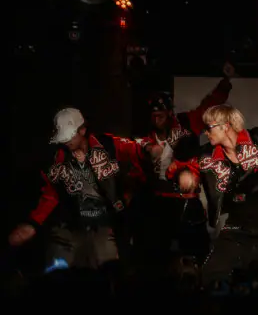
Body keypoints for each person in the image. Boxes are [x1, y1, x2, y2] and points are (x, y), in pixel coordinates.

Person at [169, 103, 258, 290]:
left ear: (225, 126)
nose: (206, 132)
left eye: (209, 127)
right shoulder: (207, 155)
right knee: (209, 276)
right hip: (236, 228)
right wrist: (184, 176)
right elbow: (183, 169)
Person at [8, 108, 157, 271]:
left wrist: (148, 148)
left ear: (83, 130)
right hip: (70, 229)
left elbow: (134, 148)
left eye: (70, 136)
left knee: (109, 272)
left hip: (103, 226)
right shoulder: (58, 158)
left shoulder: (106, 145)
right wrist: (33, 224)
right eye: (63, 137)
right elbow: (50, 194)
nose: (66, 142)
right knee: (57, 273)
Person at [131, 63, 236, 268]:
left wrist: (226, 82)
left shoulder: (186, 123)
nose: (157, 119)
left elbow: (209, 106)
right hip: (158, 202)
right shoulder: (144, 136)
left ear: (170, 112)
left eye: (161, 115)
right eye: (153, 116)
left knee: (198, 254)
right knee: (156, 258)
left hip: (187, 200)